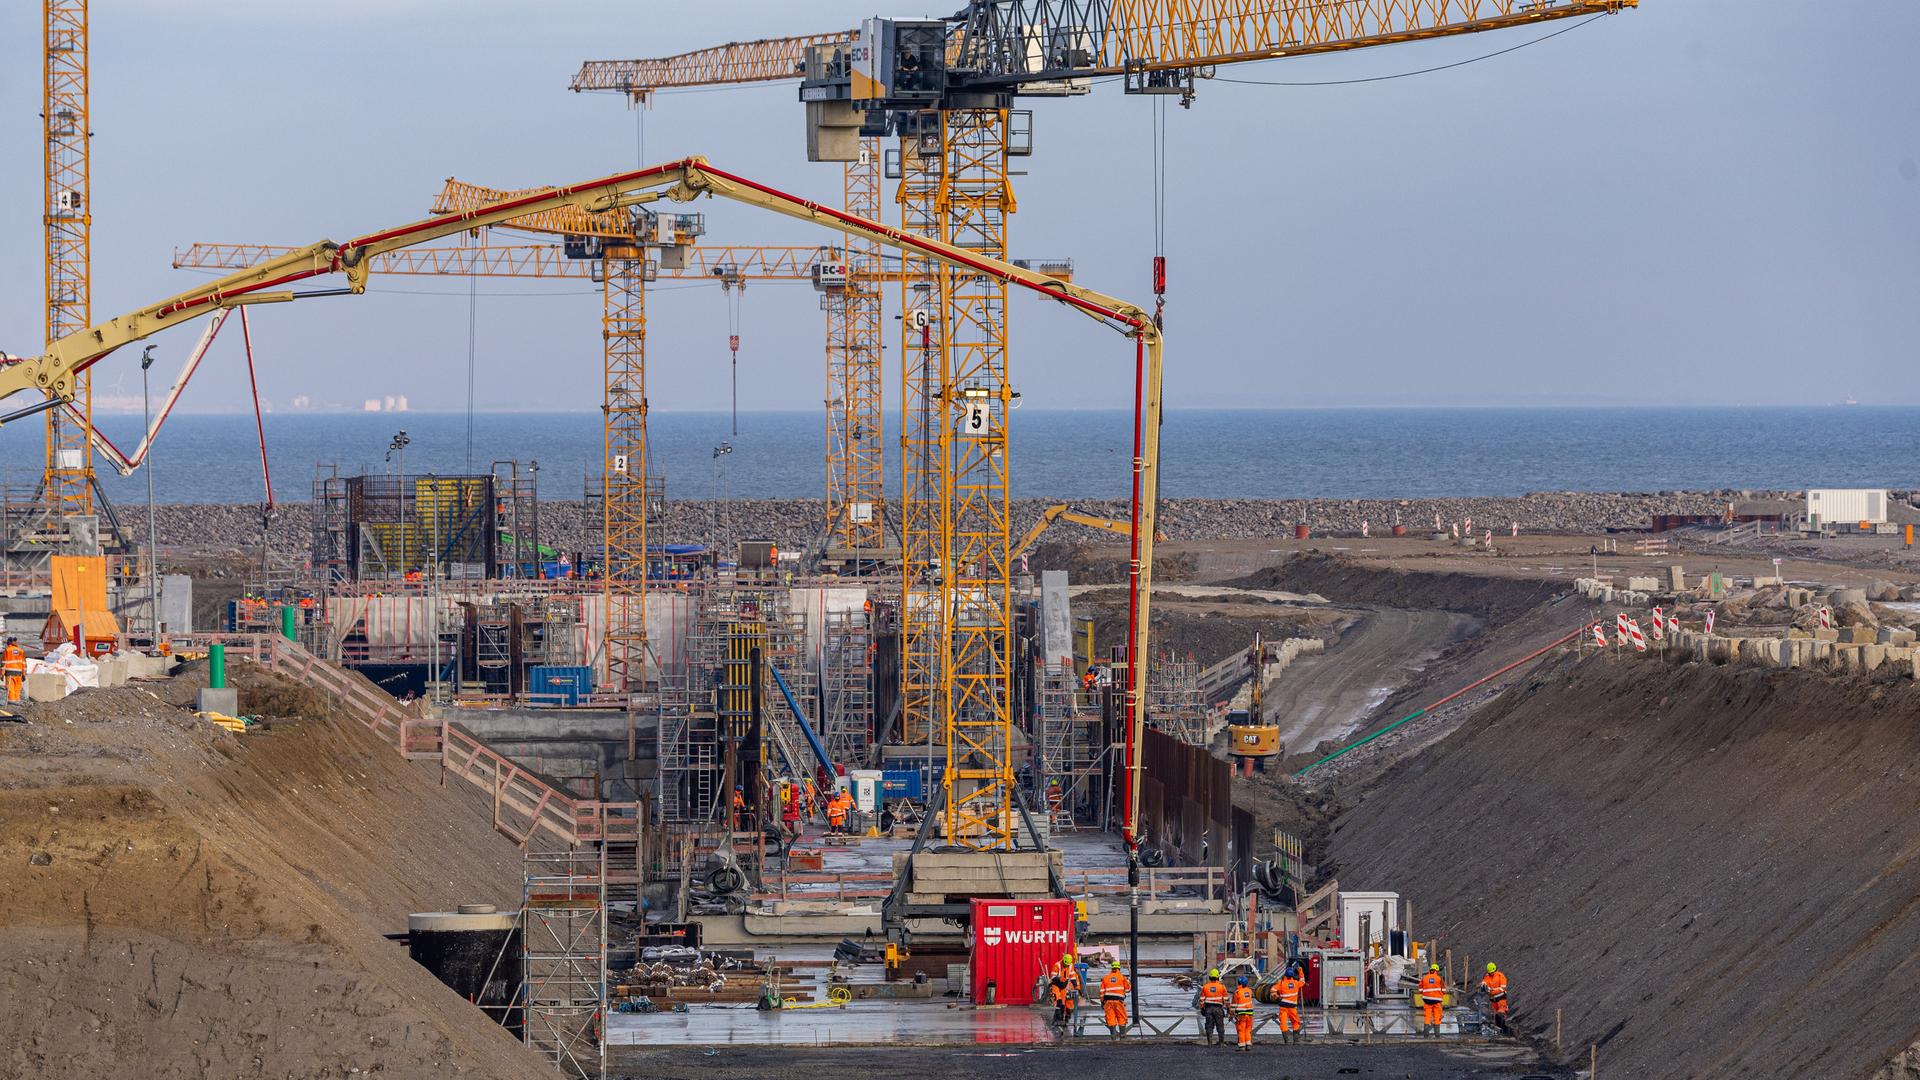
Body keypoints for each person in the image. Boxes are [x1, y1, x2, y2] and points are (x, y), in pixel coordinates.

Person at [1274, 964, 1306, 1044]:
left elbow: (1272, 990)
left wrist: (1277, 996)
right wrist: (1301, 972)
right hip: (1292, 1008)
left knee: (1283, 1023)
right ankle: (1296, 1040)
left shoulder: (1281, 983)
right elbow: (1302, 981)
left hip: (1283, 1007)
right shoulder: (1296, 983)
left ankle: (1286, 1041)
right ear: (1292, 975)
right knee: (1296, 1022)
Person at [1196, 967, 1229, 1046]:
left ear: (1210, 977)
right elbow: (1226, 1000)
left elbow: (1202, 1000)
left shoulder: (1205, 987)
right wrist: (1228, 1009)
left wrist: (1202, 1009)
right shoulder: (1222, 987)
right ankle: (1221, 1043)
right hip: (1218, 1009)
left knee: (1209, 1026)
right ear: (1217, 977)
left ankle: (1209, 1043)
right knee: (1220, 1026)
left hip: (1208, 1009)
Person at [1049, 953, 1080, 1031]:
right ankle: (1058, 1020)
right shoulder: (1057, 965)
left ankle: (1059, 1020)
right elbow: (1053, 977)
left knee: (1062, 1004)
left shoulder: (1070, 965)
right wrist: (1059, 978)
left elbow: (1073, 977)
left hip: (1063, 987)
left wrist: (1076, 986)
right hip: (1056, 985)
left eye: (1067, 965)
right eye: (1065, 964)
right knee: (1058, 1002)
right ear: (1063, 961)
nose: (1066, 966)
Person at [1099, 961, 1130, 1036]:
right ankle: (1122, 1036)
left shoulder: (1106, 978)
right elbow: (1128, 989)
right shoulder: (1122, 978)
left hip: (1108, 1001)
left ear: (1112, 968)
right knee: (1121, 1017)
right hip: (1118, 1001)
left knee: (1110, 1018)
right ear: (1119, 968)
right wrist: (1129, 982)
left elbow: (1102, 992)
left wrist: (1102, 1002)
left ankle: (1113, 1037)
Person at [1481, 962, 1511, 1034]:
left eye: (1492, 972)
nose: (1491, 973)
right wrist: (1483, 986)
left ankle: (1504, 1031)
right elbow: (1484, 982)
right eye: (1490, 972)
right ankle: (1498, 1031)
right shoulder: (1487, 976)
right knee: (1493, 1017)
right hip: (1493, 1001)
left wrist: (1492, 991)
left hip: (1501, 1000)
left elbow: (1502, 988)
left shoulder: (1501, 976)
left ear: (1495, 970)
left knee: (1500, 1014)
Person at [1417, 963, 1447, 1037]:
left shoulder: (1424, 978)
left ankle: (1426, 1034)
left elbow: (1420, 989)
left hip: (1427, 1000)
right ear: (1436, 970)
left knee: (1427, 1016)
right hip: (1437, 1001)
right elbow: (1444, 990)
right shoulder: (1439, 978)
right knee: (1437, 1017)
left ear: (1430, 970)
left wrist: (1426, 993)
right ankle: (1437, 1034)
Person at [1231, 975, 1256, 1051]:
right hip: (1250, 1014)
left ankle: (1242, 1046)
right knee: (1248, 1030)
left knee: (1241, 1030)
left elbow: (1234, 1005)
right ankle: (1248, 1044)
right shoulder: (1249, 991)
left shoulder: (1237, 992)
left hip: (1241, 1014)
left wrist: (1231, 1014)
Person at [2, 637, 24, 705]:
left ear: (8, 643)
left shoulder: (7, 650)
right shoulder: (21, 651)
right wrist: (24, 674)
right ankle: (17, 700)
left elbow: (4, 663)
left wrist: (1, 674)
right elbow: (24, 663)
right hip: (19, 672)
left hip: (10, 672)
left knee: (10, 687)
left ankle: (12, 700)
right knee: (17, 686)